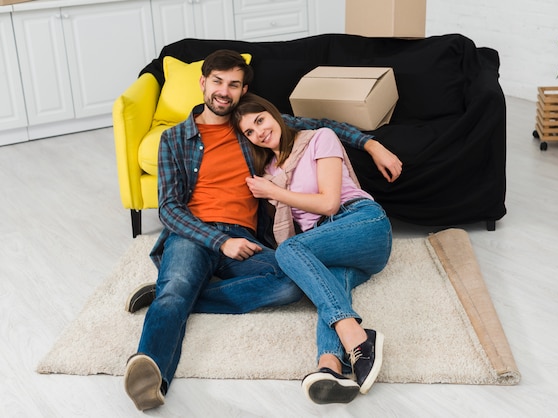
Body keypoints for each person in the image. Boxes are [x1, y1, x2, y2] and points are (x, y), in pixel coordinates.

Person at [123, 50, 402, 411]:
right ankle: (153, 373)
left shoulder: (250, 128)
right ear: (203, 83)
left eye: (234, 84)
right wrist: (220, 242)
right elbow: (168, 208)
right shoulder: (174, 140)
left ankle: (183, 294)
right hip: (194, 234)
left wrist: (371, 143)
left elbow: (318, 125)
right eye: (218, 82)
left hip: (247, 237)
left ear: (243, 90)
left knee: (291, 283)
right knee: (175, 292)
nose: (224, 91)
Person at [231, 93, 393, 405]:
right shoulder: (266, 173)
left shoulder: (320, 138)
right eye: (249, 132)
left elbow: (329, 203)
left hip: (360, 223)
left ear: (273, 114)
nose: (259, 132)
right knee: (330, 289)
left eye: (260, 120)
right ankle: (329, 368)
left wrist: (275, 192)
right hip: (324, 247)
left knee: (289, 251)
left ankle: (359, 337)